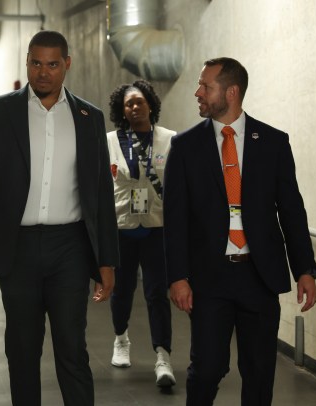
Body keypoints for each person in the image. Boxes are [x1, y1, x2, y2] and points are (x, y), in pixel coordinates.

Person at [0, 31, 119, 406]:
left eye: (53, 64)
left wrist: (106, 259)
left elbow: (101, 195)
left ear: (67, 64)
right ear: (26, 62)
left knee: (72, 348)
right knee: (22, 349)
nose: (43, 72)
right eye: (36, 63)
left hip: (70, 248)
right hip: (17, 248)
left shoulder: (89, 118)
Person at [163, 57, 316, 406]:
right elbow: (174, 220)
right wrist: (178, 277)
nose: (198, 92)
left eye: (206, 86)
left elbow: (292, 211)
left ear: (231, 92)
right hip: (209, 278)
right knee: (206, 370)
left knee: (260, 372)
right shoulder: (185, 147)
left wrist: (305, 269)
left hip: (259, 275)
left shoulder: (274, 143)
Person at [106, 80, 176, 387]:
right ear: (122, 110)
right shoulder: (108, 141)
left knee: (157, 293)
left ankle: (163, 355)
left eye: (139, 102)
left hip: (157, 227)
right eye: (128, 104)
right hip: (121, 226)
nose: (134, 107)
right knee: (121, 291)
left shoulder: (170, 140)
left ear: (150, 104)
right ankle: (121, 338)